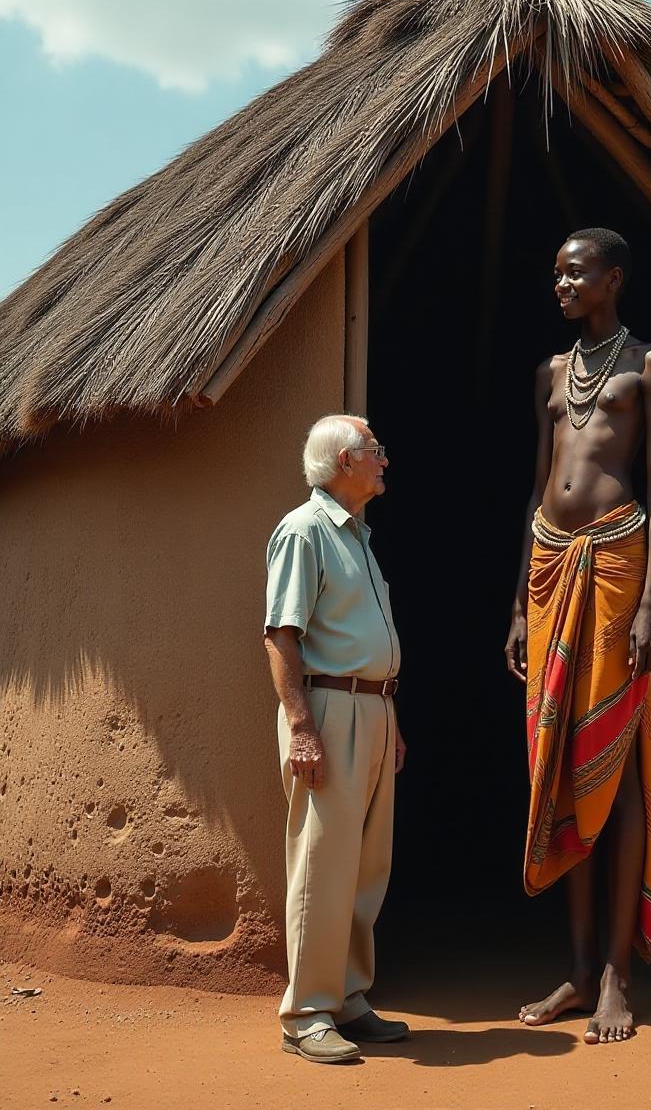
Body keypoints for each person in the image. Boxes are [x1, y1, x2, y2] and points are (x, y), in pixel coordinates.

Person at [505, 228, 651, 1045]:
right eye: (557, 272)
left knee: (618, 754)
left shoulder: (649, 365)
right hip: (548, 562)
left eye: (576, 273)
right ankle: (576, 967)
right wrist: (515, 605)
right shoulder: (548, 372)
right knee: (561, 757)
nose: (562, 284)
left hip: (616, 560)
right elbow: (539, 483)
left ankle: (616, 972)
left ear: (613, 277)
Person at [264, 413, 408, 1064]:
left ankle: (347, 997)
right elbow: (281, 633)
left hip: (372, 712)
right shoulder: (304, 531)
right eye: (373, 449)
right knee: (322, 865)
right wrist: (301, 727)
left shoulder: (358, 537)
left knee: (364, 865)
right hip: (327, 712)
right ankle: (306, 1014)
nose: (383, 458)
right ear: (344, 461)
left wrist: (391, 721)